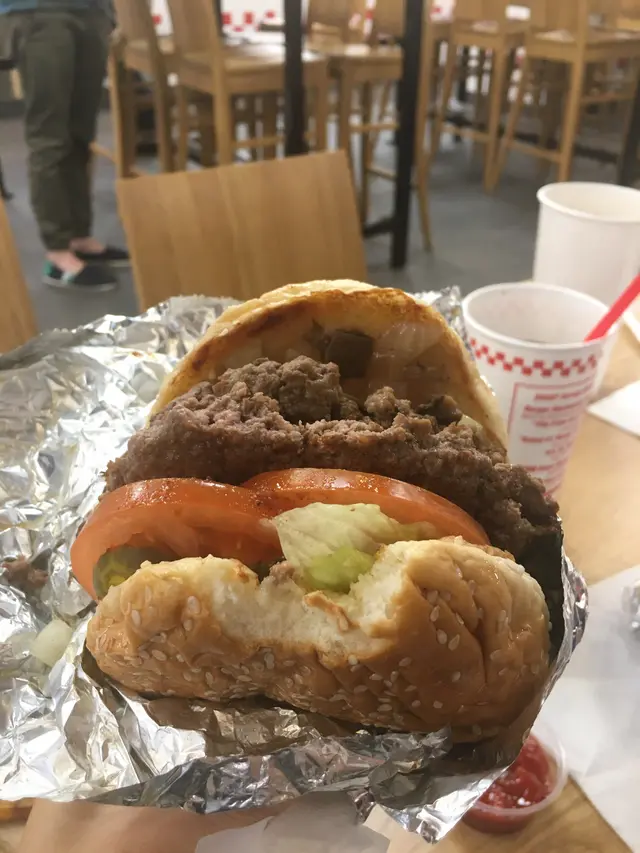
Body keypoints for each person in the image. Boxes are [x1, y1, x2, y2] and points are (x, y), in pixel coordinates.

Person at [0, 0, 128, 292]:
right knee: (50, 137)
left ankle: (79, 237)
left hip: (90, 10)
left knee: (80, 136)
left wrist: (106, 12)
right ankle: (57, 253)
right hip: (37, 11)